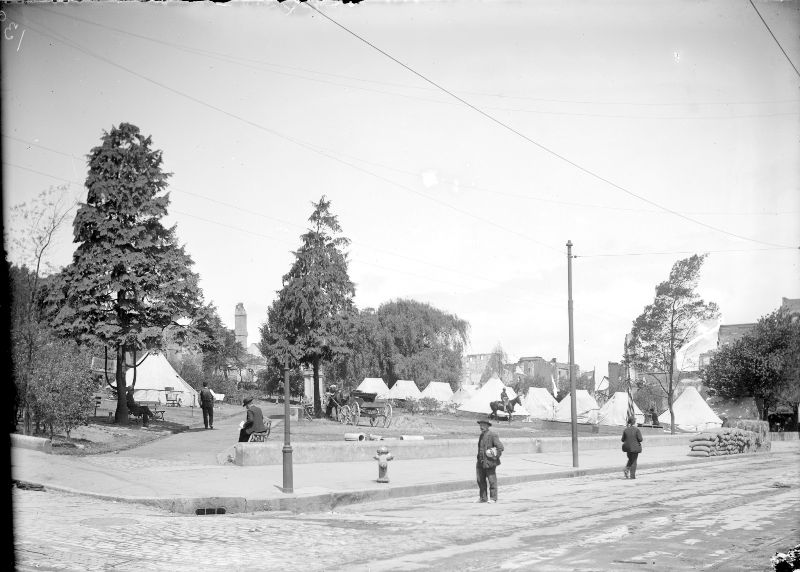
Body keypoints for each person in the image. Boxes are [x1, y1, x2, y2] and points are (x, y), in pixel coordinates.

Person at [476, 419, 504, 503]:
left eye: (483, 425)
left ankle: (493, 498)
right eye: (480, 425)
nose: (481, 427)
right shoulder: (481, 435)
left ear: (488, 426)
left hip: (489, 462)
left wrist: (494, 455)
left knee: (492, 480)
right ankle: (483, 498)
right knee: (480, 480)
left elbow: (500, 448)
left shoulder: (493, 435)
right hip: (480, 462)